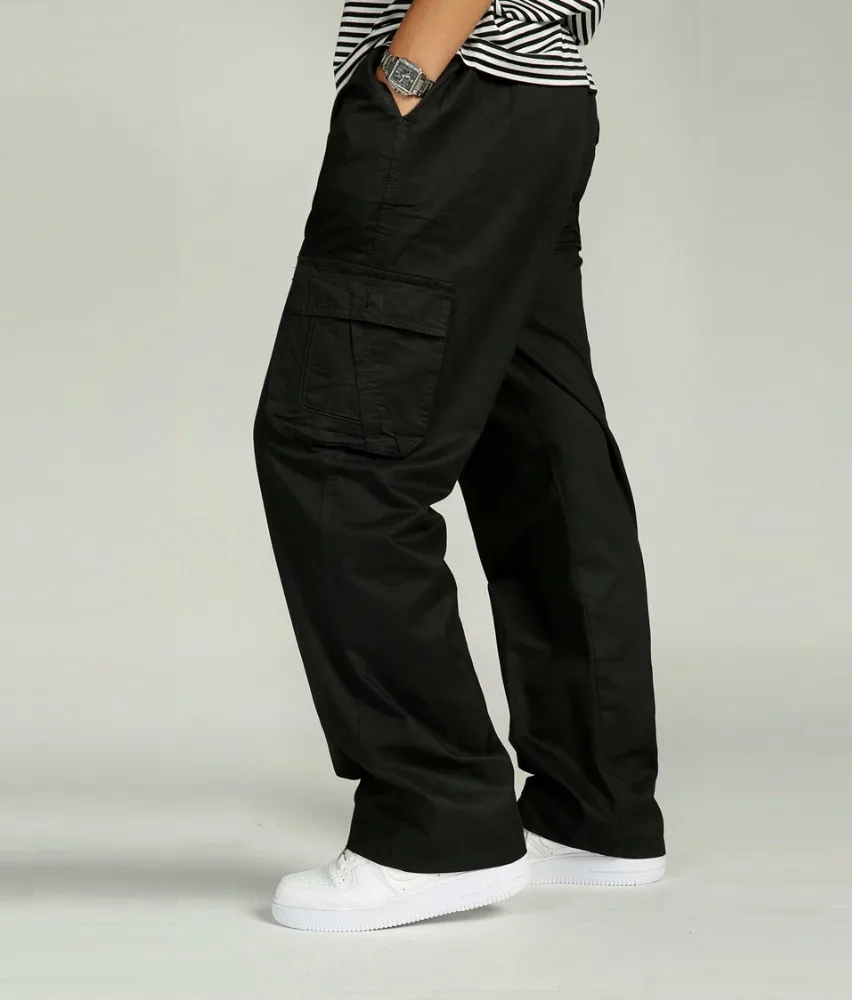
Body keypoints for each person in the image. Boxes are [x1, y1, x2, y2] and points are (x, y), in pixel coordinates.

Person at [253, 0, 665, 933]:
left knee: (338, 452)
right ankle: (592, 808)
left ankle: (435, 822)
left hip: (456, 90)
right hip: (536, 99)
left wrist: (404, 77)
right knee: (537, 448)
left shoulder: (427, 79)